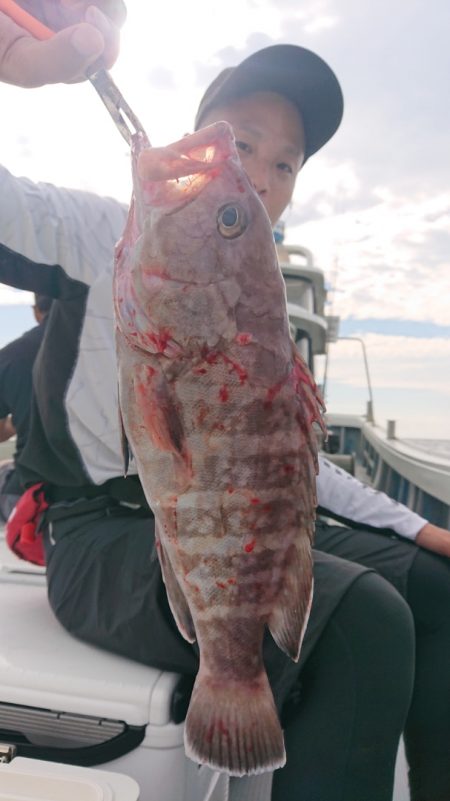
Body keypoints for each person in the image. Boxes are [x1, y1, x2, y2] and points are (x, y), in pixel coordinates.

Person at [0, 5, 449, 799]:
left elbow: (283, 462)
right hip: (99, 539)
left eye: (284, 165)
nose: (260, 178)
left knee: (433, 588)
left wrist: (417, 525)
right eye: (240, 144)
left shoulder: (262, 300)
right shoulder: (95, 233)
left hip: (221, 528)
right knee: (360, 625)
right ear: (194, 134)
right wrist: (16, 67)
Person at [0, 293, 53, 521]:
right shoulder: (108, 346)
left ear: (36, 311)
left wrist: (15, 423)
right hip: (117, 482)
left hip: (34, 491)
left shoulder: (11, 355)